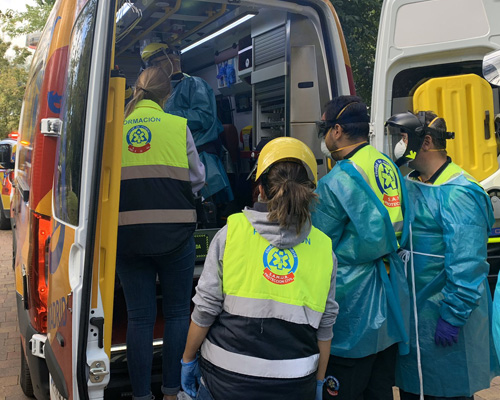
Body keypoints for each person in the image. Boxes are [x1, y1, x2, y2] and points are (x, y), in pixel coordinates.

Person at [180, 137, 339, 400]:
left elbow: (205, 310)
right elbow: (326, 328)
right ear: (310, 190)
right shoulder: (324, 249)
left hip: (225, 381)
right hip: (294, 385)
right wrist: (318, 382)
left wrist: (187, 360)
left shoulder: (231, 233)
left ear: (261, 190)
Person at [386, 110, 500, 399]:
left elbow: (468, 265)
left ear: (424, 142)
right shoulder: (411, 183)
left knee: (446, 391)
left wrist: (452, 316)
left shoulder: (459, 193)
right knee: (414, 389)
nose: (397, 144)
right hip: (413, 320)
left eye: (402, 138)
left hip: (443, 319)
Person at [312, 95, 411, 400]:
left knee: (345, 386)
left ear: (337, 130)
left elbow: (319, 244)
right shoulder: (385, 163)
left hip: (351, 305)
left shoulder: (337, 181)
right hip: (390, 295)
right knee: (379, 388)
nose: (325, 138)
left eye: (324, 130)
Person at [117, 66, 205, 400]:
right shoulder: (177, 126)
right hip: (175, 237)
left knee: (139, 317)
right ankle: (171, 391)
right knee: (178, 313)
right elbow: (197, 178)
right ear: (167, 94)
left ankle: (141, 395)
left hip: (127, 239)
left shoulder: (115, 128)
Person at [141, 42, 233, 206]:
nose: (154, 70)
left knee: (207, 218)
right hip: (177, 162)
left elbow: (204, 117)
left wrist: (165, 117)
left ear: (172, 59)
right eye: (151, 66)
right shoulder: (166, 92)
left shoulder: (194, 84)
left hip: (204, 163)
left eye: (157, 63)